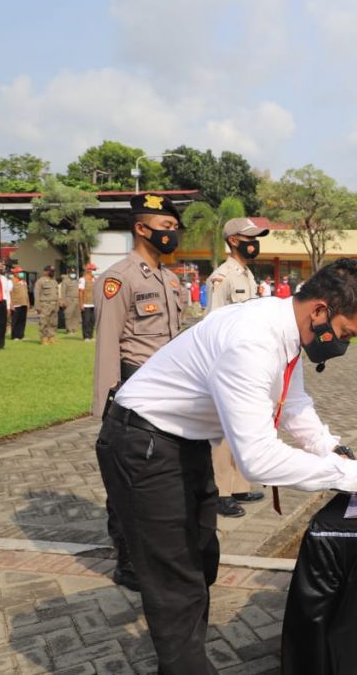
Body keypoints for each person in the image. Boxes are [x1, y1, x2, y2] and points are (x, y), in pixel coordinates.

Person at [97, 258, 357, 672]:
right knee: (177, 583)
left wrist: (335, 451)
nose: (342, 345)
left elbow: (293, 404)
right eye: (344, 334)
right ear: (319, 311)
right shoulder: (252, 341)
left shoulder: (283, 330)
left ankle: (183, 658)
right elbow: (257, 458)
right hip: (143, 445)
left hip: (181, 444)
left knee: (201, 560)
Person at [93, 193, 186, 592]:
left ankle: (162, 551)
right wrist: (106, 404)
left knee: (164, 474)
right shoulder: (119, 278)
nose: (172, 235)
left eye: (173, 229)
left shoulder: (170, 279)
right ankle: (128, 559)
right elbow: (107, 343)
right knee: (127, 479)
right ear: (141, 228)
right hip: (133, 388)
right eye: (165, 228)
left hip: (171, 391)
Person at [206, 217, 270, 517]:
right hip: (227, 362)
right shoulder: (222, 276)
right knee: (221, 430)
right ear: (233, 240)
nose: (254, 243)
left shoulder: (246, 274)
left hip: (247, 360)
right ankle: (221, 491)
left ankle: (240, 484)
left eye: (256, 238)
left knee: (241, 425)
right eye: (249, 238)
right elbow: (213, 323)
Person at [34, 266, 61, 345]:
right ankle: (44, 338)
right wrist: (37, 306)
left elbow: (57, 293)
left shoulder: (54, 281)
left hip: (54, 304)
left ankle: (51, 337)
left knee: (53, 322)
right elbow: (37, 294)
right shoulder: (40, 281)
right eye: (50, 271)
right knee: (44, 322)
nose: (52, 272)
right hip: (45, 305)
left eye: (53, 271)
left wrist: (58, 303)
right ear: (45, 271)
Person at [9, 267, 30, 341]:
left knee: (22, 320)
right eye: (19, 272)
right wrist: (10, 305)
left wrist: (28, 303)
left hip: (24, 303)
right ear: (15, 274)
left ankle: (21, 335)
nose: (21, 274)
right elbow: (9, 293)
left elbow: (26, 294)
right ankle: (15, 336)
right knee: (15, 320)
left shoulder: (24, 282)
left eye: (22, 272)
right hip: (16, 304)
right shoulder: (11, 282)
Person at [79, 264, 98, 340]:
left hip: (93, 303)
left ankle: (91, 335)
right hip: (86, 303)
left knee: (92, 320)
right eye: (93, 270)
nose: (94, 272)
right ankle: (86, 336)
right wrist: (81, 303)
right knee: (86, 320)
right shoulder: (82, 280)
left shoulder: (94, 279)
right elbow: (80, 292)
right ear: (89, 270)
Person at [61, 270, 81, 334]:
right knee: (68, 315)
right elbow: (63, 292)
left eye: (74, 273)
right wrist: (63, 301)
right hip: (69, 299)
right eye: (72, 273)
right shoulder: (65, 281)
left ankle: (74, 329)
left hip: (77, 299)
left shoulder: (77, 280)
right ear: (69, 273)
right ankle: (69, 330)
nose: (73, 274)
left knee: (76, 315)